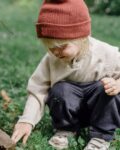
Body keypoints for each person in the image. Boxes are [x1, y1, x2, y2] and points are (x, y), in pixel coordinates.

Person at [11, 0, 120, 149]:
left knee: (107, 89)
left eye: (61, 46)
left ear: (82, 37)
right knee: (61, 89)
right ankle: (65, 129)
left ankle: (100, 138)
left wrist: (117, 84)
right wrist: (27, 120)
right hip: (69, 110)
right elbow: (38, 90)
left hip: (98, 109)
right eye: (50, 47)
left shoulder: (107, 53)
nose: (55, 52)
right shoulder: (52, 59)